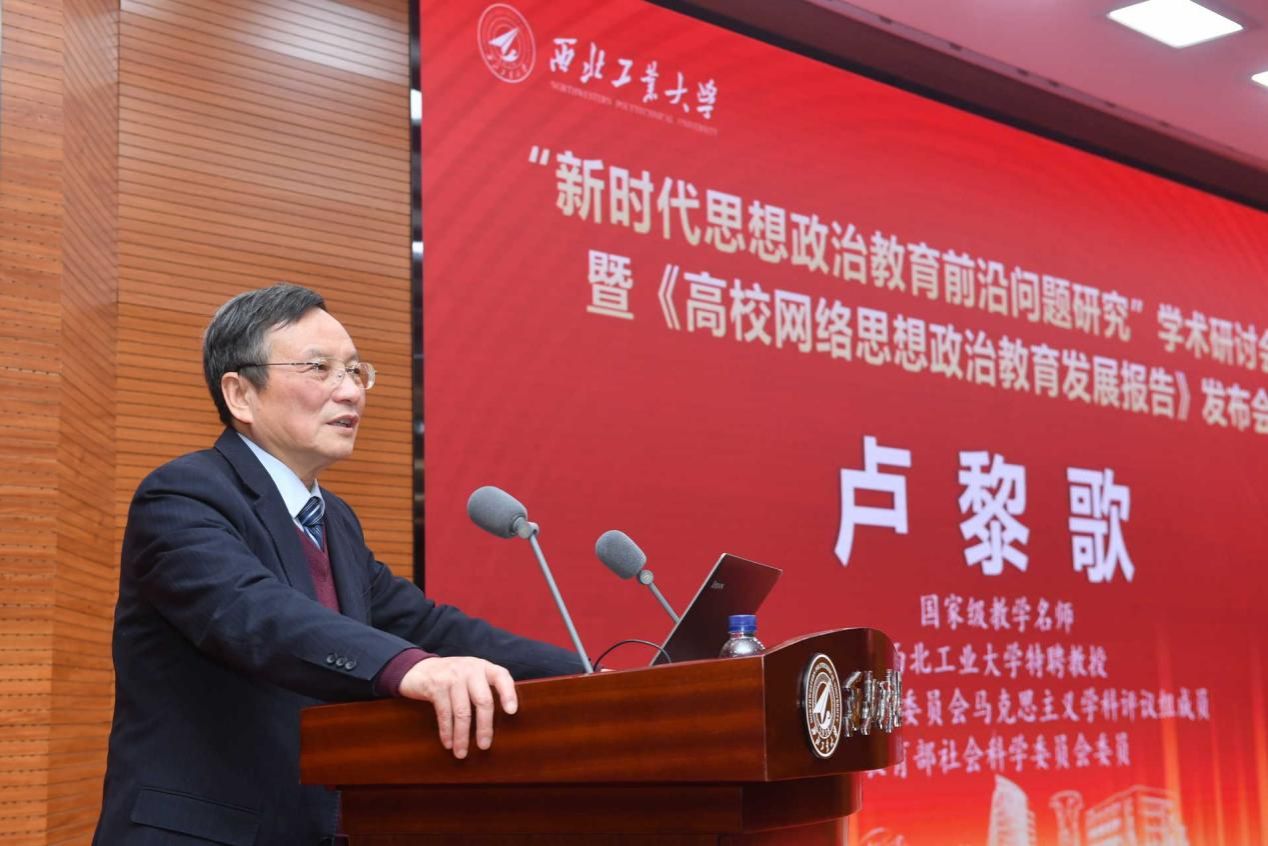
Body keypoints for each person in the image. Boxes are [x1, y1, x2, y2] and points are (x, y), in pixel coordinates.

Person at [93, 284, 583, 845]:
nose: (349, 391)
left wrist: (591, 677)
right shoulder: (182, 494)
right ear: (240, 394)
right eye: (319, 368)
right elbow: (253, 613)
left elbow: (425, 626)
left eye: (354, 371)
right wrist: (409, 668)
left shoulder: (334, 520)